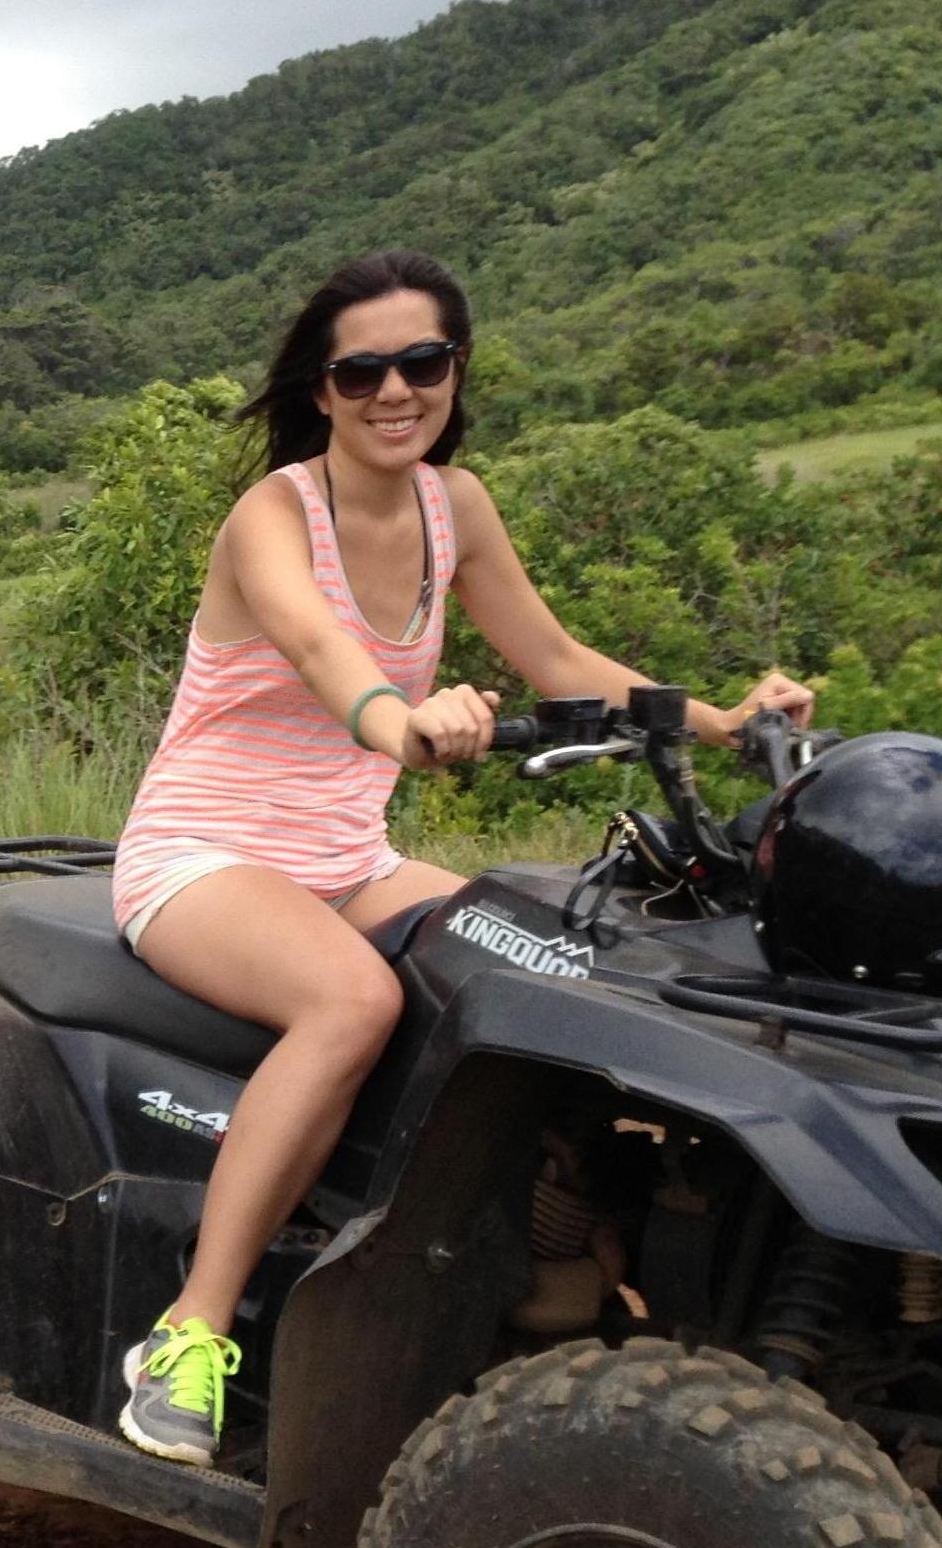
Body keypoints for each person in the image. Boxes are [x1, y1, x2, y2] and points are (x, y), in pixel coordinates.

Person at [110, 249, 813, 1467]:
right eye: (364, 370)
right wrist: (404, 722)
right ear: (323, 390)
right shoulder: (274, 514)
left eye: (421, 363)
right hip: (202, 854)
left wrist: (727, 727)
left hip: (348, 853)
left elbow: (555, 657)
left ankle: (550, 1255)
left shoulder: (455, 506)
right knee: (352, 1000)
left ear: (456, 369)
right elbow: (326, 655)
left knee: (561, 965)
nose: (397, 391)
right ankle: (191, 1333)